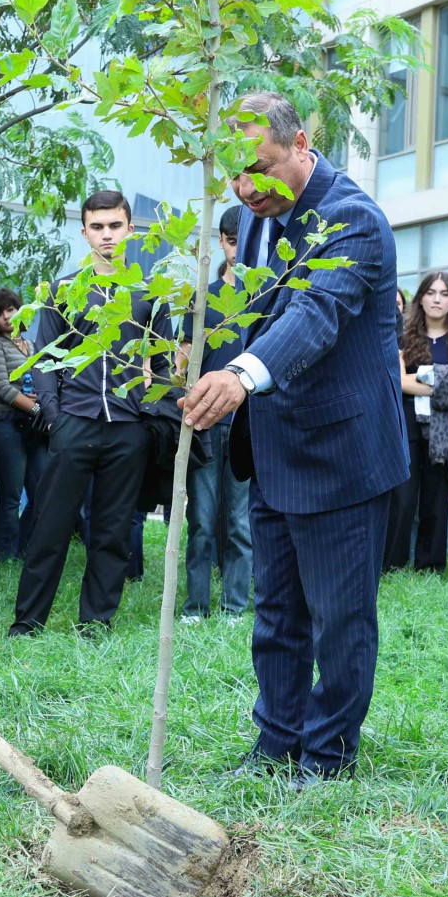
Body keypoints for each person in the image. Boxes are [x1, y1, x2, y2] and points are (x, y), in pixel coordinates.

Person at [180, 91, 408, 788]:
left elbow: (315, 315)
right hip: (274, 452)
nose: (246, 189)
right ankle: (275, 743)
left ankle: (328, 754)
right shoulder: (257, 221)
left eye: (260, 168)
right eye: (234, 177)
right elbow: (244, 316)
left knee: (339, 619)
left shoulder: (353, 221)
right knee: (275, 613)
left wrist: (242, 377)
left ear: (301, 143)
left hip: (341, 458)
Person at [7, 190, 170, 637]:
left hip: (127, 429)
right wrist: (54, 415)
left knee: (113, 532)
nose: (106, 235)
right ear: (84, 232)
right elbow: (44, 357)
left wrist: (147, 410)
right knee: (50, 526)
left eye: (115, 226)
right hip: (73, 423)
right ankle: (27, 622)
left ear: (129, 229)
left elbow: (163, 364)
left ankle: (96, 624)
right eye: (97, 227)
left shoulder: (150, 294)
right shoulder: (64, 289)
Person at [181, 205, 252, 622]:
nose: (239, 249)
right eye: (233, 240)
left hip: (248, 424)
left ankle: (235, 608)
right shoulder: (202, 298)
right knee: (202, 521)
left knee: (240, 523)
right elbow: (184, 359)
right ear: (222, 242)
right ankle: (195, 607)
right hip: (205, 424)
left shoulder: (263, 294)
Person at [384, 271, 448, 572]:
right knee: (402, 496)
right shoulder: (403, 337)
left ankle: (431, 566)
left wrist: (420, 376)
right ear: (420, 298)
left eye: (444, 294)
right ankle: (392, 564)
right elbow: (398, 381)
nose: (437, 299)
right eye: (431, 292)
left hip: (446, 426)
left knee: (437, 498)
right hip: (407, 422)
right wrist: (443, 378)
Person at [0, 287, 47, 561]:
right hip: (4, 420)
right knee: (10, 493)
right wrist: (37, 408)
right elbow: (2, 388)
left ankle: (23, 549)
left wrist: (40, 405)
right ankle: (4, 556)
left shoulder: (32, 345)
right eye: (0, 313)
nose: (7, 317)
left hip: (32, 422)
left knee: (41, 491)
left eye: (10, 309)